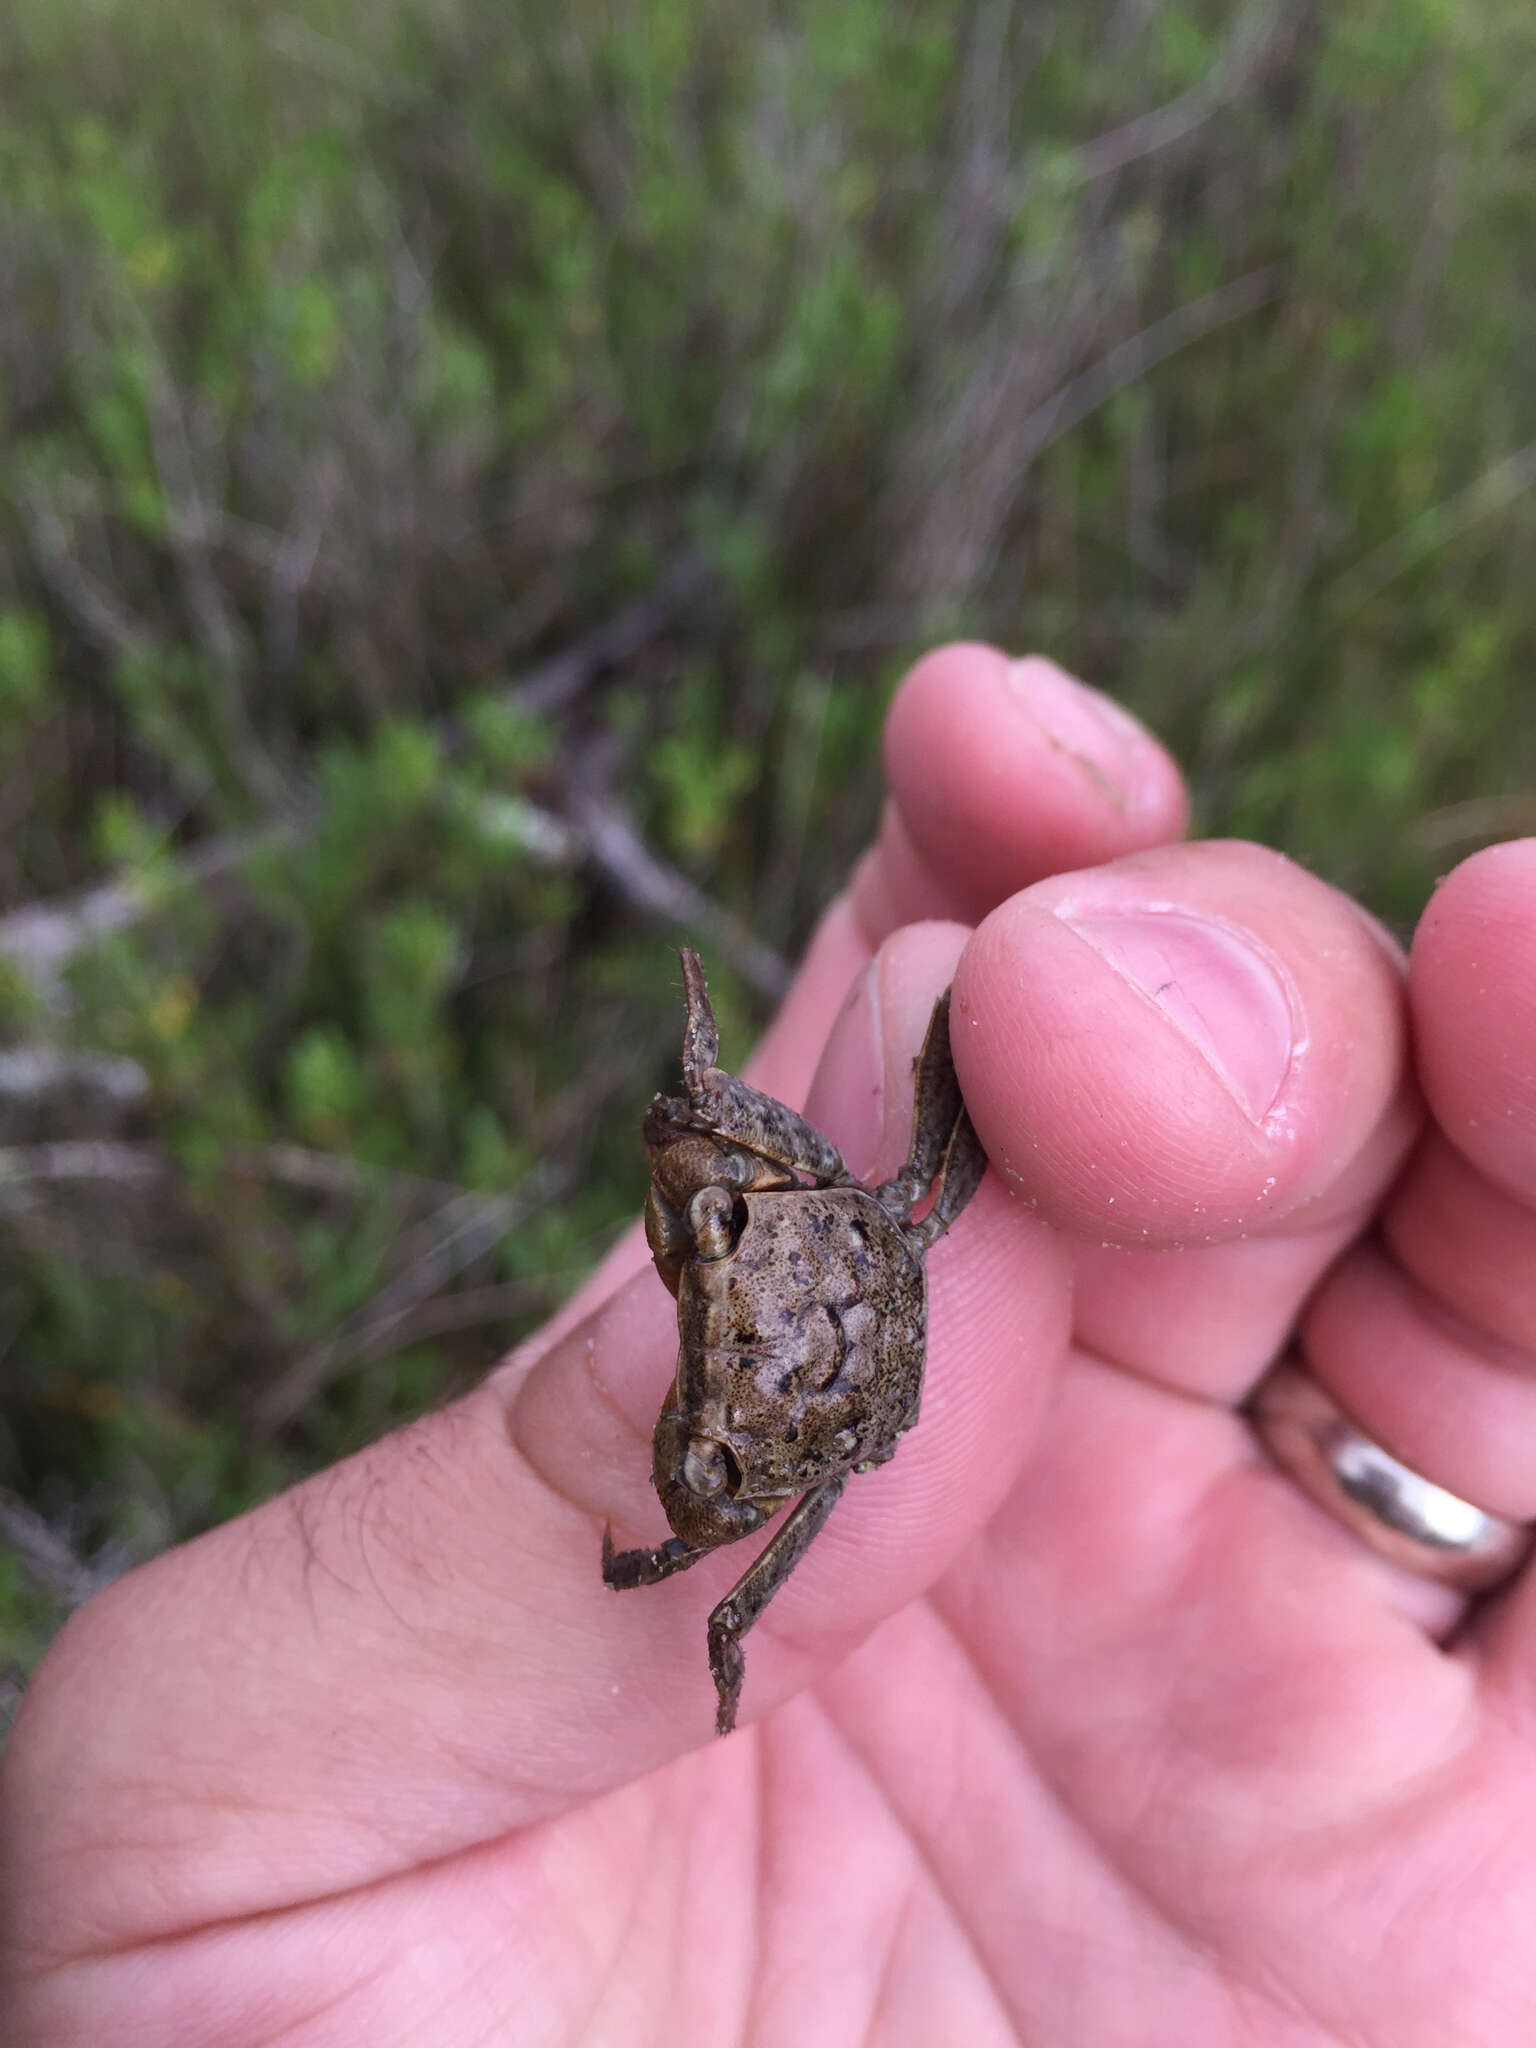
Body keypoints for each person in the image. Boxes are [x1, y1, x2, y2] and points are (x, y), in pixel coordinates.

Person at [3, 642, 1534, 2045]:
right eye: (708, 1282)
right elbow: (748, 1142)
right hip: (854, 1295)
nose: (704, 1300)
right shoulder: (855, 1217)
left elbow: (851, 1104)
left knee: (1010, 1027)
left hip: (857, 1303)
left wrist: (991, 1001)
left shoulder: (859, 1222)